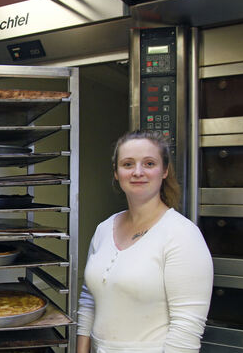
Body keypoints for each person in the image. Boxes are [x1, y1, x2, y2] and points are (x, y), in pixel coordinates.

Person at [76, 130, 213, 353]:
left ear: (165, 171)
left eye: (149, 163)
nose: (138, 172)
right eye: (128, 164)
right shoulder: (104, 229)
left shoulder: (182, 235)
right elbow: (89, 298)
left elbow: (186, 328)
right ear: (116, 173)